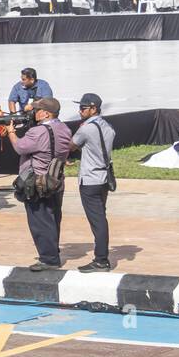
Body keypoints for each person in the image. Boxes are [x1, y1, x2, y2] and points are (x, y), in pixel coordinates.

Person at [0, 97, 72, 271]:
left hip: (37, 182)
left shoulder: (37, 132)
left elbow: (20, 148)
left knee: (39, 221)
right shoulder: (64, 128)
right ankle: (52, 251)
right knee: (53, 217)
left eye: (37, 110)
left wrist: (11, 132)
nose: (33, 113)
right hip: (56, 179)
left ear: (46, 113)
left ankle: (48, 259)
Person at [69, 93, 116, 273]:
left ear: (93, 109)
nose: (79, 111)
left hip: (90, 179)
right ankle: (101, 257)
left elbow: (72, 145)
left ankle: (101, 259)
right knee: (100, 218)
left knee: (98, 221)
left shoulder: (86, 128)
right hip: (103, 178)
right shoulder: (108, 126)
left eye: (83, 108)